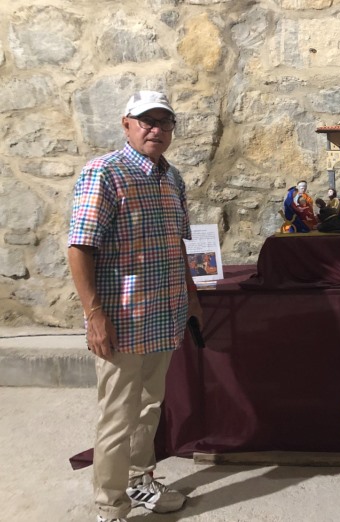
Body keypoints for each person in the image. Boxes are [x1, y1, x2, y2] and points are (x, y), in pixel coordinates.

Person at [68, 90, 204, 522]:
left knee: (149, 408)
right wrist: (94, 315)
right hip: (122, 322)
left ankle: (139, 481)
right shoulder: (104, 173)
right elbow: (80, 247)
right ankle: (110, 506)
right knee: (117, 416)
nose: (155, 129)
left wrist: (193, 298)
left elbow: (177, 245)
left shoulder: (172, 178)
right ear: (126, 124)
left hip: (163, 316)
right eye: (146, 121)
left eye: (164, 122)